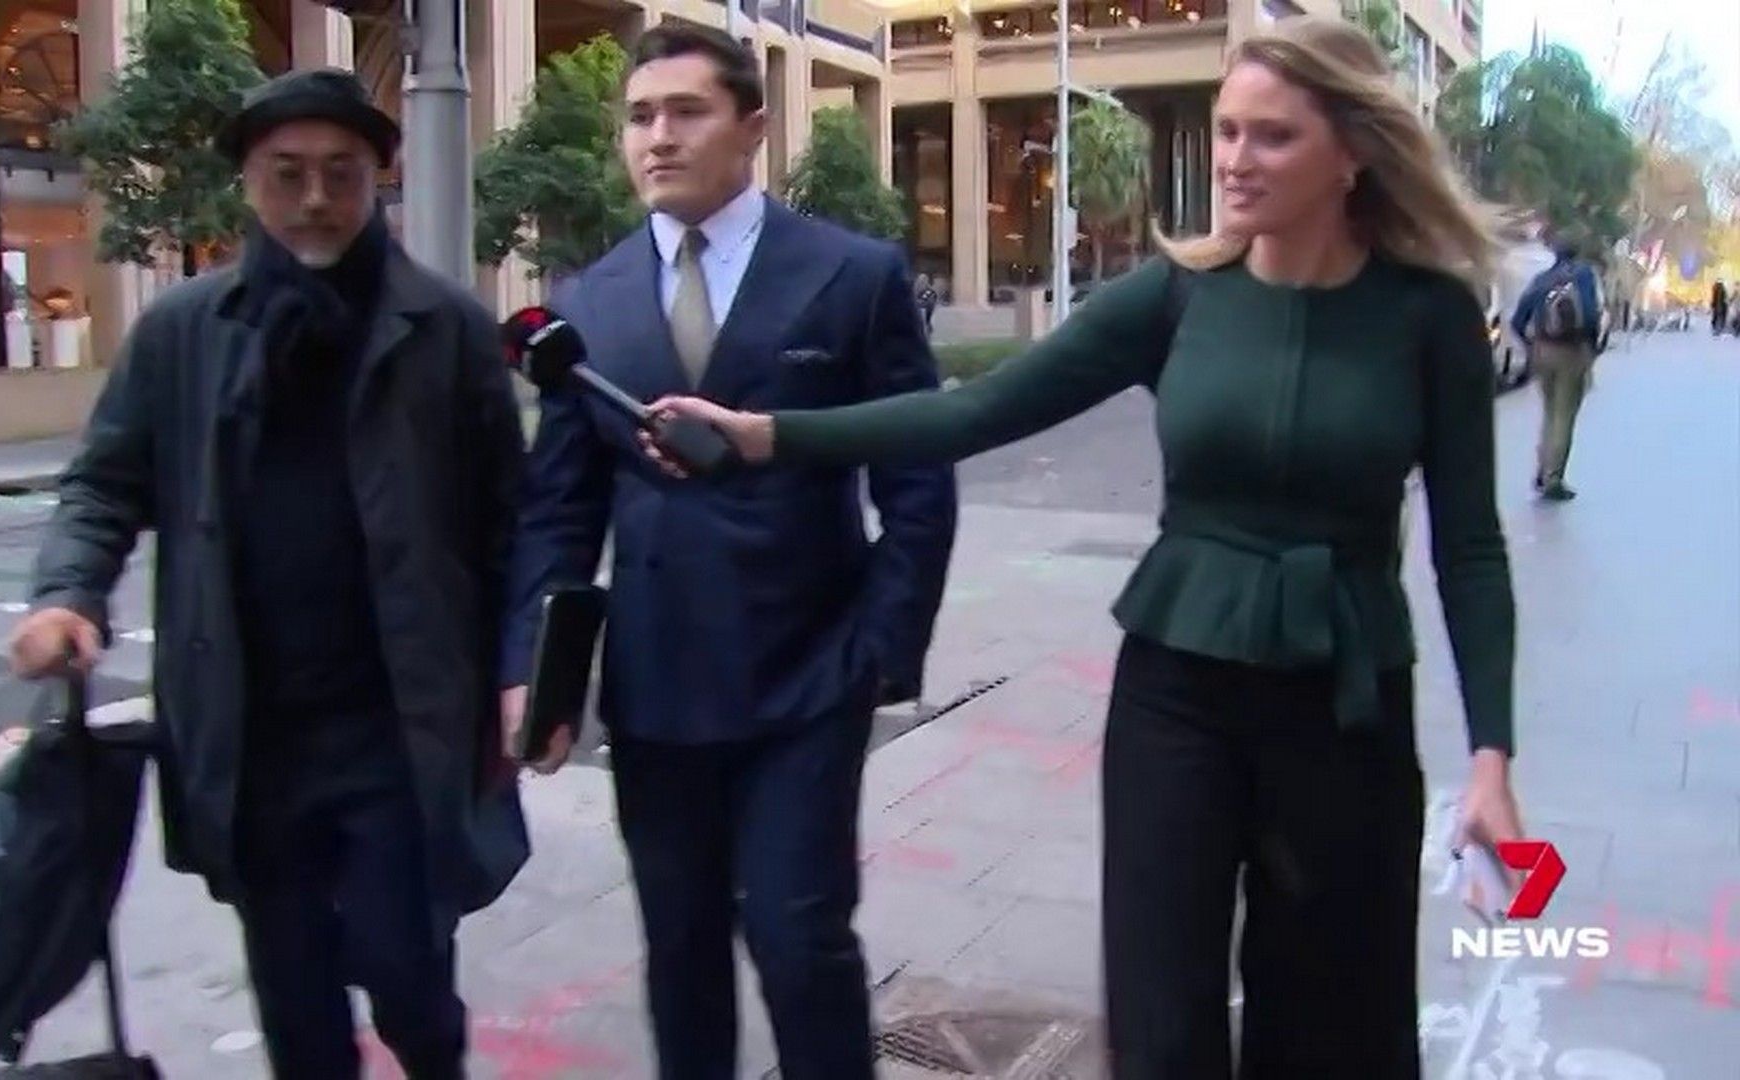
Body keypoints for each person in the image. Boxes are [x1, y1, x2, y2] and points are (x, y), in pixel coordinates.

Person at [646, 16, 1525, 1079]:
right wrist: (771, 436)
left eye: (1273, 136)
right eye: (1227, 130)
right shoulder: (1179, 294)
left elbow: (1470, 549)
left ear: (1352, 153)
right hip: (1178, 696)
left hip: (1346, 703)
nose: (1236, 159)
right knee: (1160, 1021)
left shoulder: (1429, 317)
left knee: (1335, 1022)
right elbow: (976, 412)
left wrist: (1491, 758)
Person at [9, 68, 529, 1080]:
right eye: (288, 174)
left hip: (399, 727)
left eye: (342, 172)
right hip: (250, 735)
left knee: (408, 971)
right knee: (294, 998)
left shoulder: (447, 329)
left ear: (378, 176)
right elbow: (104, 486)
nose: (316, 198)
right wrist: (67, 594)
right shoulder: (182, 334)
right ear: (248, 181)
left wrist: (521, 669)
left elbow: (512, 525)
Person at [501, 24, 957, 1080]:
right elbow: (558, 513)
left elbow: (917, 476)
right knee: (681, 949)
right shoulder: (587, 303)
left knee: (800, 938)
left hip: (808, 677)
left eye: (686, 111)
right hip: (656, 689)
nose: (658, 136)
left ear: (753, 127)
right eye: (640, 117)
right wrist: (535, 670)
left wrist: (882, 648)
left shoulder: (852, 275)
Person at [1510, 236, 1602, 501]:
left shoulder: (1542, 280)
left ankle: (1542, 470)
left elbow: (1518, 320)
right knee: (1564, 416)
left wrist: (1531, 345)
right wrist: (1592, 347)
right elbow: (1591, 315)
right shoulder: (1584, 275)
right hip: (1572, 353)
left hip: (1543, 351)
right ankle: (1553, 478)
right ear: (1577, 252)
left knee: (1549, 413)